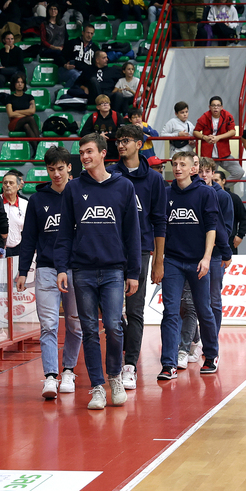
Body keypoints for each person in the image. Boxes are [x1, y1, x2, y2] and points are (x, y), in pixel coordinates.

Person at [53, 133, 141, 410]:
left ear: (103, 153)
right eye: (81, 153)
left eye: (89, 151)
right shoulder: (73, 188)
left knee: (114, 326)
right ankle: (97, 387)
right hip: (82, 270)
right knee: (89, 330)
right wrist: (61, 267)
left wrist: (134, 272)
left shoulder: (124, 186)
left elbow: (133, 233)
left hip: (114, 270)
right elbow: (65, 233)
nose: (84, 157)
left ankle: (115, 376)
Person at [16, 146, 83, 399]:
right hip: (46, 268)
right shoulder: (37, 200)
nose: (56, 174)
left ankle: (69, 370)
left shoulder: (80, 195)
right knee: (48, 325)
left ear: (69, 167)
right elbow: (28, 238)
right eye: (51, 169)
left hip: (76, 268)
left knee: (75, 324)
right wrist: (23, 270)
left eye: (60, 168)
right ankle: (51, 376)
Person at [155, 151, 229, 380]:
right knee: (170, 311)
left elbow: (212, 227)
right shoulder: (166, 193)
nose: (178, 168)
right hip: (173, 261)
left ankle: (211, 355)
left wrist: (206, 258)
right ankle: (168, 364)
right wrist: (158, 260)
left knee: (203, 309)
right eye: (175, 164)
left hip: (198, 260)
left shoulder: (206, 193)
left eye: (182, 164)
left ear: (192, 169)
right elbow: (160, 228)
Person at [109, 125, 166, 390]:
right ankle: (116, 356)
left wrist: (158, 260)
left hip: (141, 251)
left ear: (139, 144)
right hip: (109, 251)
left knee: (135, 310)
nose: (121, 145)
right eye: (118, 141)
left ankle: (130, 365)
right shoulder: (110, 174)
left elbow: (160, 222)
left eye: (126, 140)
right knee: (110, 312)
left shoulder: (154, 180)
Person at [198, 158, 233, 339]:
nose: (203, 175)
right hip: (195, 253)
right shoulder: (194, 193)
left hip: (216, 254)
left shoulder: (223, 197)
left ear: (213, 173)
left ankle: (212, 338)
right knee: (193, 301)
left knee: (214, 299)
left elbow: (227, 228)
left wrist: (215, 243)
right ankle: (194, 339)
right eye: (200, 171)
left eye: (207, 171)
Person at [193, 96, 242, 187]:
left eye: (218, 105)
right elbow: (195, 131)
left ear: (222, 107)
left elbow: (233, 131)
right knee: (206, 176)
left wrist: (218, 137)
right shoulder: (204, 116)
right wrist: (204, 137)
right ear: (209, 107)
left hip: (224, 153)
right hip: (208, 155)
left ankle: (220, 188)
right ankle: (211, 190)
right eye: (213, 105)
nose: (216, 108)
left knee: (239, 172)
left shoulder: (227, 116)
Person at [213, 171, 246, 255]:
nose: (214, 183)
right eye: (212, 181)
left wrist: (240, 236)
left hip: (229, 240)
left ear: (223, 181)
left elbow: (243, 219)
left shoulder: (234, 198)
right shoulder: (206, 196)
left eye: (216, 180)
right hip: (210, 240)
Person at [79, 94, 121, 158]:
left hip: (114, 149)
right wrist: (98, 136)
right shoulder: (93, 117)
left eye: (107, 103)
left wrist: (107, 136)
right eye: (102, 103)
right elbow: (83, 132)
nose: (105, 105)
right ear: (98, 107)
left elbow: (121, 132)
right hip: (97, 149)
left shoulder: (117, 116)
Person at [5, 74, 39, 151]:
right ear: (14, 84)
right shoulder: (10, 98)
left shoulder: (29, 97)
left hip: (24, 122)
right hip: (14, 123)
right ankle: (39, 144)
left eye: (22, 82)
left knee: (26, 126)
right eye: (18, 82)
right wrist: (26, 113)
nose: (20, 84)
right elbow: (10, 114)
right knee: (30, 118)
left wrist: (17, 112)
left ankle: (36, 149)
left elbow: (32, 111)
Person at [59, 24, 99, 89]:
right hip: (68, 70)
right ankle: (65, 93)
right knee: (77, 76)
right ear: (83, 32)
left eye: (91, 33)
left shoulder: (95, 48)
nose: (89, 35)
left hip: (84, 72)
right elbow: (60, 56)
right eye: (88, 33)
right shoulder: (72, 43)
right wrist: (65, 65)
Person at [2, 170, 28, 257]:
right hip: (0, 248)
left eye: (11, 183)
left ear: (18, 186)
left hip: (20, 247)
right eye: (5, 183)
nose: (8, 185)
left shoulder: (25, 204)